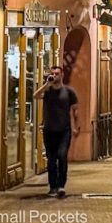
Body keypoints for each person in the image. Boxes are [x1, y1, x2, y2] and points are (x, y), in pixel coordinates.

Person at [33, 65, 79, 198]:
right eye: (53, 73)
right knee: (51, 159)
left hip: (64, 130)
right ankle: (53, 187)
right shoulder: (47, 91)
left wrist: (75, 126)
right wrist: (47, 84)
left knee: (62, 156)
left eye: (57, 73)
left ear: (62, 75)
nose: (55, 75)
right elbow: (36, 96)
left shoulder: (69, 92)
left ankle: (61, 186)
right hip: (49, 130)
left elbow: (75, 111)